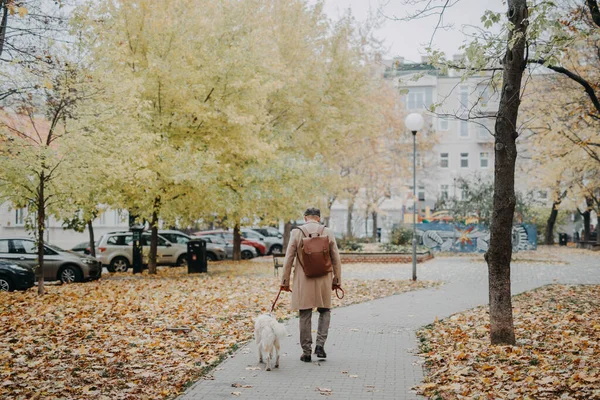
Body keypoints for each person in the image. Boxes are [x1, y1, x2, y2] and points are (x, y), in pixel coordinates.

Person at [280, 207, 342, 362]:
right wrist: (337, 279)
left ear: (305, 217)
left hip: (304, 279)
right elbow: (336, 258)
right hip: (324, 278)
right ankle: (320, 345)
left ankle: (306, 352)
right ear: (319, 218)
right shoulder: (328, 232)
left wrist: (285, 281)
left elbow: (289, 258)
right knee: (325, 310)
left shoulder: (297, 232)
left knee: (305, 313)